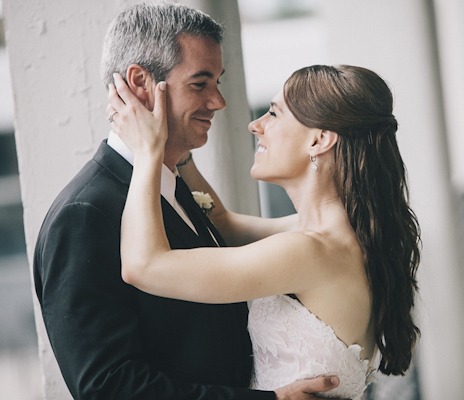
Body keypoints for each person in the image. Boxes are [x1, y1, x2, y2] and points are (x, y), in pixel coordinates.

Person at [33, 3, 339, 399]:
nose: (219, 102)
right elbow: (108, 387)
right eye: (200, 84)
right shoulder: (84, 215)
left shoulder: (170, 185)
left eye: (218, 82)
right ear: (140, 83)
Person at [107, 64, 422, 400]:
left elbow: (144, 266)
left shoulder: (312, 251)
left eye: (274, 113)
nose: (255, 125)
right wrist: (177, 149)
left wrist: (148, 152)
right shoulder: (340, 232)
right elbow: (224, 225)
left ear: (318, 140)